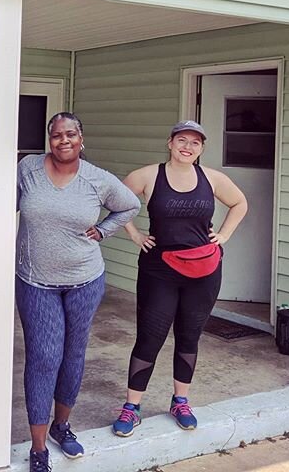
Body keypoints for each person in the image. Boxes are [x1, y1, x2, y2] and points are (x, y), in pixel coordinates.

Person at [16, 112, 141, 472]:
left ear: (81, 138)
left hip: (85, 280)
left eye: (71, 134)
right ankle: (38, 448)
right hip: (36, 281)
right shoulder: (28, 169)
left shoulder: (97, 179)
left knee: (73, 355)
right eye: (57, 135)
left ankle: (61, 426)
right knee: (43, 358)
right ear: (49, 139)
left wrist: (103, 231)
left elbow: (130, 204)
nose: (64, 140)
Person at [112, 120, 247, 437]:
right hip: (159, 270)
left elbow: (240, 203)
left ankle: (181, 401)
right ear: (170, 142)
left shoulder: (212, 179)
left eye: (195, 143)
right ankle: (132, 406)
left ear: (201, 149)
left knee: (189, 336)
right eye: (182, 140)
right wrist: (134, 234)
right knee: (150, 337)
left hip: (204, 271)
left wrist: (224, 235)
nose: (188, 147)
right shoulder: (147, 176)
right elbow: (113, 201)